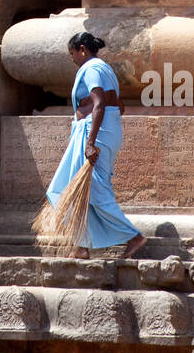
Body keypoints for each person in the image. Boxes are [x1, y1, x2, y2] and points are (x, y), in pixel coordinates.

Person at [44, 32, 145, 260]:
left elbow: (99, 104)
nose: (72, 59)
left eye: (72, 53)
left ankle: (133, 236)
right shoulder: (105, 68)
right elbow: (118, 105)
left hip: (95, 133)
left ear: (82, 49)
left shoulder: (91, 69)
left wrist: (90, 142)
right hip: (104, 131)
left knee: (95, 190)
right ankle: (82, 246)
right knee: (78, 188)